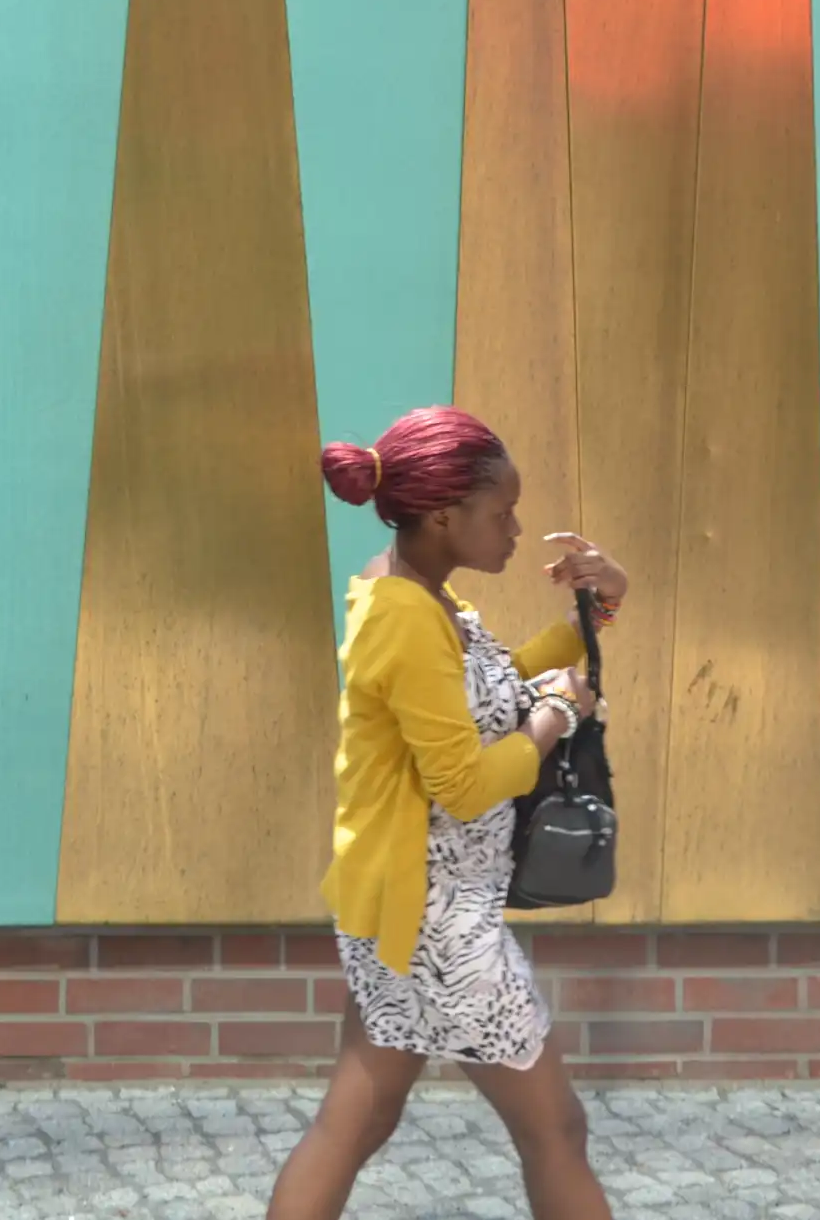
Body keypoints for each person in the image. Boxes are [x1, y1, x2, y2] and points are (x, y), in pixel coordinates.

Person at [265, 405, 628, 1220]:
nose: (516, 529)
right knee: (556, 1127)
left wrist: (597, 610)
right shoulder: (406, 618)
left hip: (403, 910)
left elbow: (495, 688)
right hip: (438, 922)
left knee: (357, 1121)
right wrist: (555, 717)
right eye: (502, 513)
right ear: (442, 515)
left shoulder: (419, 594)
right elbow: (463, 782)